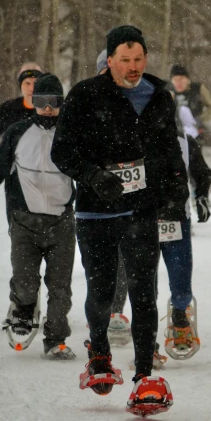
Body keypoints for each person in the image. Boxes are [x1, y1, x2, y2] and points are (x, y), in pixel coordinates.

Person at [52, 25, 189, 416]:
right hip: (96, 211)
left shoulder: (159, 97)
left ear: (146, 58)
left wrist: (177, 190)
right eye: (124, 60)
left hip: (141, 210)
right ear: (109, 59)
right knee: (102, 290)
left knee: (145, 292)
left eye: (139, 59)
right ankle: (99, 352)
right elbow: (61, 152)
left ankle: (145, 375)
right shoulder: (85, 95)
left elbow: (168, 149)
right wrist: (94, 176)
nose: (133, 67)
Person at [0, 74, 76, 360]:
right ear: (33, 103)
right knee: (26, 280)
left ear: (61, 104)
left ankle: (56, 338)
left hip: (61, 222)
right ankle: (23, 306)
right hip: (24, 221)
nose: (47, 108)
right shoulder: (18, 133)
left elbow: (88, 170)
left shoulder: (71, 134)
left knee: (60, 287)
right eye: (41, 101)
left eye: (54, 102)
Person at [157, 93, 211, 360]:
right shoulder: (135, 140)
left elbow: (202, 172)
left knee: (180, 274)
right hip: (142, 219)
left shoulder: (185, 143)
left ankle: (180, 318)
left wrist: (202, 197)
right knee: (141, 281)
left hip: (176, 217)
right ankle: (138, 333)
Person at [95, 48, 130, 341]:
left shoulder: (137, 102)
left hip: (129, 196)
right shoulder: (85, 102)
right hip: (95, 198)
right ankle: (100, 313)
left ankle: (117, 312)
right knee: (98, 262)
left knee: (123, 258)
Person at [0, 62, 43, 213]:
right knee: (19, 227)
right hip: (16, 179)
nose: (32, 88)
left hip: (46, 176)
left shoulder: (50, 108)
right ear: (20, 85)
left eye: (36, 83)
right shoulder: (8, 109)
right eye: (27, 83)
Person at [169, 63, 211, 145]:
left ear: (187, 79)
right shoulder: (168, 91)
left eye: (181, 79)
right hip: (174, 135)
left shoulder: (198, 88)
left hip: (195, 135)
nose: (178, 83)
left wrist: (201, 119)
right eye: (175, 80)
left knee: (194, 156)